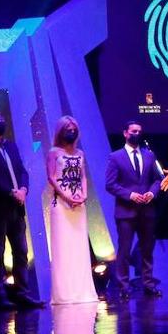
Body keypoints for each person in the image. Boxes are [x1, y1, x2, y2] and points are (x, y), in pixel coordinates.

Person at [0, 110, 41, 309]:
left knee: (21, 250)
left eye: (1, 119)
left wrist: (23, 189)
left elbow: (21, 170)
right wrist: (10, 192)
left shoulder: (11, 145)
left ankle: (22, 293)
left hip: (16, 206)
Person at [103, 121, 164, 297]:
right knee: (124, 249)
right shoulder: (115, 157)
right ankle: (123, 286)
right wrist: (130, 195)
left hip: (147, 210)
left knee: (147, 248)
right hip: (126, 211)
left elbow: (157, 179)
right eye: (133, 131)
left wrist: (152, 193)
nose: (136, 133)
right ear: (125, 133)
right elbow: (110, 184)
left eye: (139, 131)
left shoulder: (149, 155)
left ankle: (148, 283)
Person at [46, 115, 99, 305]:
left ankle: (82, 291)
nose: (71, 130)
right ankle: (64, 293)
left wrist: (83, 195)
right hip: (60, 204)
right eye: (68, 128)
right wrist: (67, 197)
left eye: (74, 128)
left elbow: (83, 177)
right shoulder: (54, 152)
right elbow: (51, 178)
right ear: (61, 131)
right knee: (63, 248)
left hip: (79, 203)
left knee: (79, 248)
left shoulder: (80, 153)